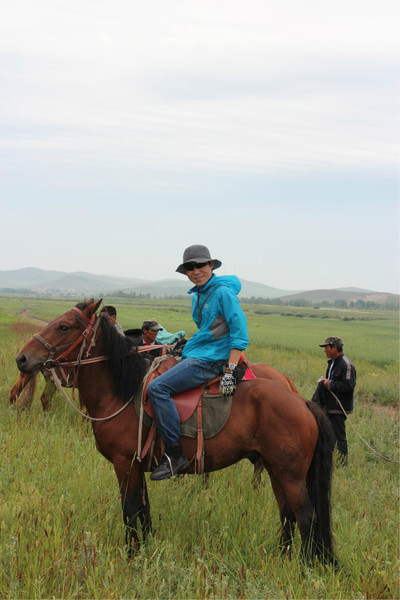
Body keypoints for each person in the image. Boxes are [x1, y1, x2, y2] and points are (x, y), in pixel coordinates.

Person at [147, 244, 249, 481]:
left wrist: (229, 370)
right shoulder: (199, 295)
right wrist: (188, 345)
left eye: (200, 265)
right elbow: (209, 330)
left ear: (211, 265)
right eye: (190, 268)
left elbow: (239, 332)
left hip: (211, 361)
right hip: (201, 353)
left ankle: (174, 455)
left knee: (157, 388)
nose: (195, 271)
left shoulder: (222, 293)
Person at [314, 336, 356, 465]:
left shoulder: (346, 365)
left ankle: (342, 463)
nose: (325, 350)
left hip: (339, 407)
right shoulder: (332, 362)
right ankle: (328, 459)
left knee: (339, 436)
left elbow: (349, 385)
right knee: (328, 434)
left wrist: (329, 384)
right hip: (329, 406)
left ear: (335, 348)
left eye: (326, 347)